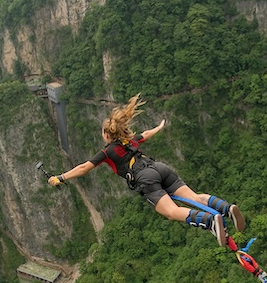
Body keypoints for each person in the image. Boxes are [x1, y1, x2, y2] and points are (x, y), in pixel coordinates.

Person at [47, 94, 245, 246]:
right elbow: (146, 134)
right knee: (195, 197)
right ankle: (226, 208)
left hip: (146, 179)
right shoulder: (131, 141)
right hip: (160, 168)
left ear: (107, 135)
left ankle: (210, 221)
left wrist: (61, 177)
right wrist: (159, 127)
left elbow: (84, 168)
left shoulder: (107, 152)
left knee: (172, 212)